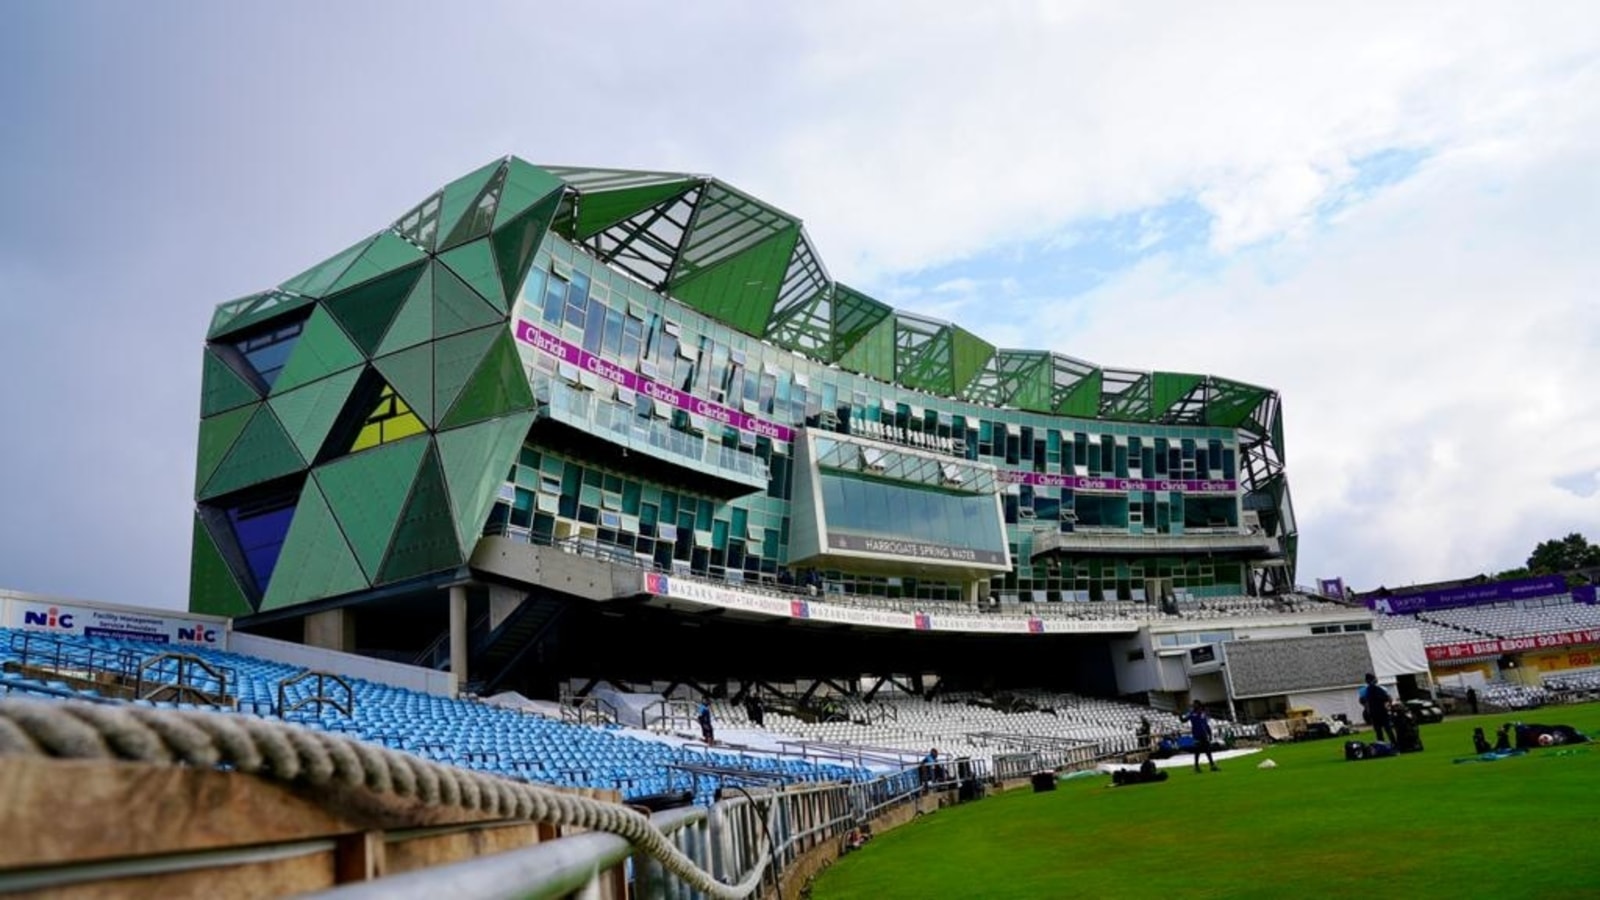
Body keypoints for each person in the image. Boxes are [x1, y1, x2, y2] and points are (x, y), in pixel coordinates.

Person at [1181, 700, 1219, 772]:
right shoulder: (1191, 714)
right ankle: (1196, 766)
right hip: (1196, 735)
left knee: (1208, 750)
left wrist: (1210, 734)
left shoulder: (1203, 714)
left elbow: (1206, 725)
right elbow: (1183, 720)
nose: (1194, 706)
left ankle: (1212, 765)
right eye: (1193, 705)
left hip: (1204, 734)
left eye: (1195, 704)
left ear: (1199, 705)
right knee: (1197, 751)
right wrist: (1180, 715)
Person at [1362, 674, 1397, 746]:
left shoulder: (1366, 691)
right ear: (1373, 680)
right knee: (1388, 729)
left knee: (1378, 731)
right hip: (1382, 712)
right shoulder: (1378, 689)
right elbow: (1386, 698)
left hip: (1373, 713)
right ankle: (1394, 744)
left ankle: (1381, 745)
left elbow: (1363, 701)